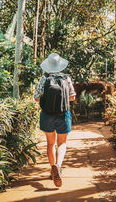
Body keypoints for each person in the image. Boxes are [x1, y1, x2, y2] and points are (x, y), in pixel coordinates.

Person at [34, 53, 76, 187]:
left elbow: (36, 98)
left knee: (50, 143)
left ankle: (52, 169)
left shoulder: (44, 78)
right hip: (63, 114)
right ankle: (58, 166)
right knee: (62, 143)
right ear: (60, 65)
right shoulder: (66, 78)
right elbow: (72, 97)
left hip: (47, 115)